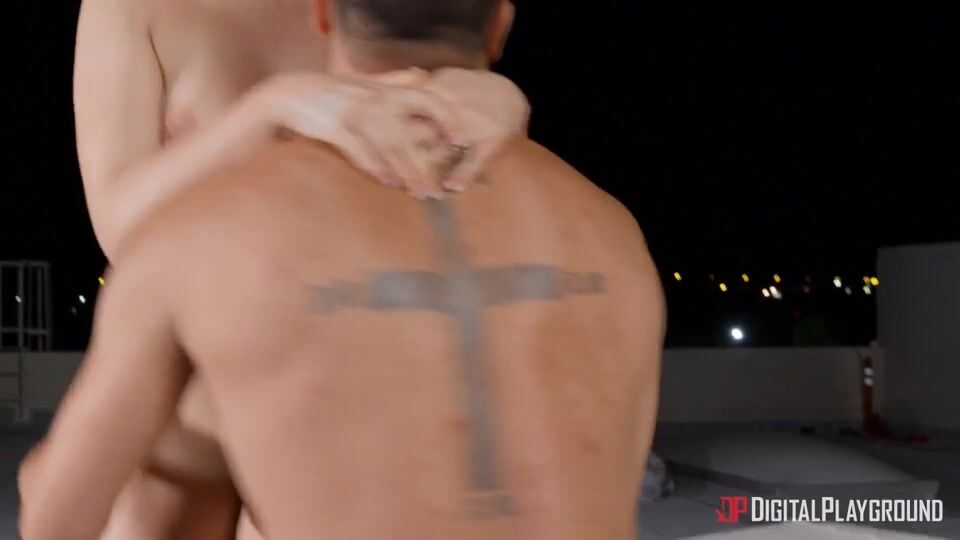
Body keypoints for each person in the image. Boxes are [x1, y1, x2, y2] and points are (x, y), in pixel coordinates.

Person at [20, 0, 665, 538]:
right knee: (153, 492)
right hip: (222, 342)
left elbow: (453, 193)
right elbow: (123, 228)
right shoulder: (131, 9)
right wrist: (270, 110)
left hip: (364, 354)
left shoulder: (368, 10)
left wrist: (493, 101)